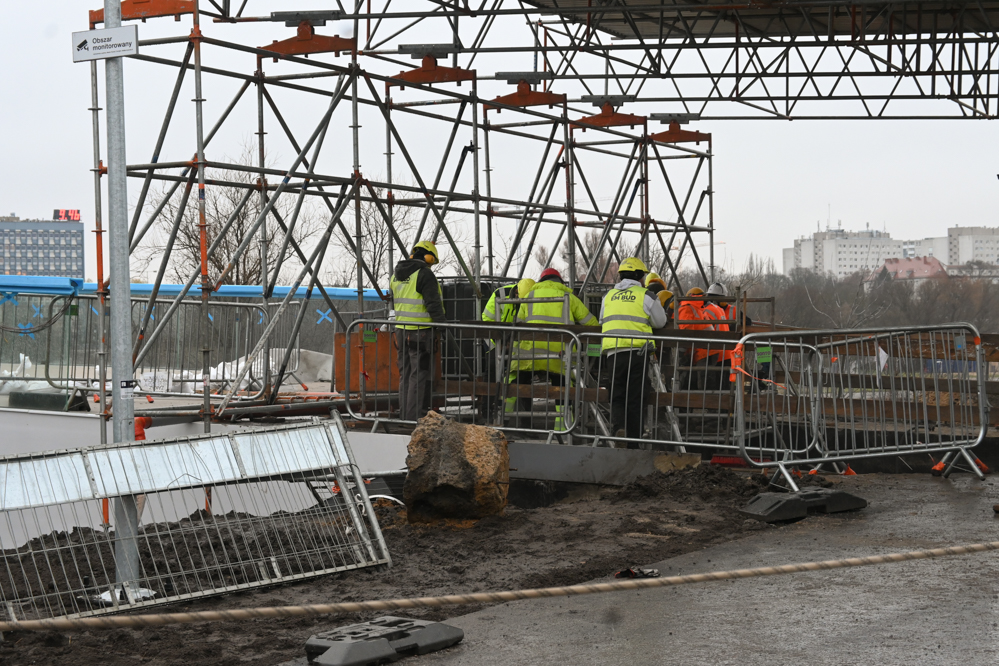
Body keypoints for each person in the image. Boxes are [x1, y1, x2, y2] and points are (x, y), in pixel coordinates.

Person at [509, 267, 597, 429]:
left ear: (541, 281)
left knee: (521, 383)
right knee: (562, 385)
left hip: (530, 354)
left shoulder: (529, 296)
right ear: (560, 282)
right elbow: (591, 324)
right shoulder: (569, 297)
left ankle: (509, 420)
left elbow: (518, 325)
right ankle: (562, 427)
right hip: (559, 355)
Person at [600, 257, 668, 444]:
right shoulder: (646, 295)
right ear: (639, 275)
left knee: (617, 393)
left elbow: (602, 320)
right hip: (637, 352)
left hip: (613, 352)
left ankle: (618, 429)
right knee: (636, 396)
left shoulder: (608, 296)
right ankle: (633, 439)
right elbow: (660, 322)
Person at [390, 240, 446, 421]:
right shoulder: (424, 274)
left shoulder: (396, 275)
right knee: (418, 376)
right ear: (428, 257)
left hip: (400, 330)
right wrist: (443, 327)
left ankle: (406, 416)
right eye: (431, 261)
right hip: (420, 332)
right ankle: (413, 418)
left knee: (405, 375)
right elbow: (433, 304)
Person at [676, 286, 714, 390]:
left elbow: (686, 333)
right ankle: (707, 404)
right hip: (710, 348)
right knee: (707, 381)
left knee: (702, 382)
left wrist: (681, 354)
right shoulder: (700, 309)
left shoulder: (686, 308)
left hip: (701, 351)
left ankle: (702, 404)